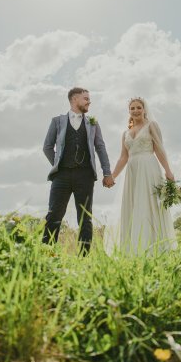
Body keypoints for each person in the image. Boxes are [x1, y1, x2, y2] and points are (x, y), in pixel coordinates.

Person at [42, 87, 113, 254]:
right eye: (86, 98)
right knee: (54, 215)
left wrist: (107, 172)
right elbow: (47, 147)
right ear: (74, 100)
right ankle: (47, 254)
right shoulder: (57, 121)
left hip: (85, 176)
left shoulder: (93, 123)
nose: (89, 101)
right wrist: (57, 165)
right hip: (61, 176)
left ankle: (83, 257)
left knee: (85, 217)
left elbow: (100, 148)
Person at [104, 97, 177, 255]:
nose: (135, 110)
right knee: (133, 205)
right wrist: (113, 176)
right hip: (132, 172)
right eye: (132, 108)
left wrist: (168, 171)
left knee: (148, 204)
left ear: (144, 110)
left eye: (138, 107)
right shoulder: (125, 133)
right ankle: (134, 249)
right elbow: (123, 157)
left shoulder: (151, 126)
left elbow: (159, 149)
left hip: (148, 168)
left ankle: (155, 247)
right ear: (129, 111)